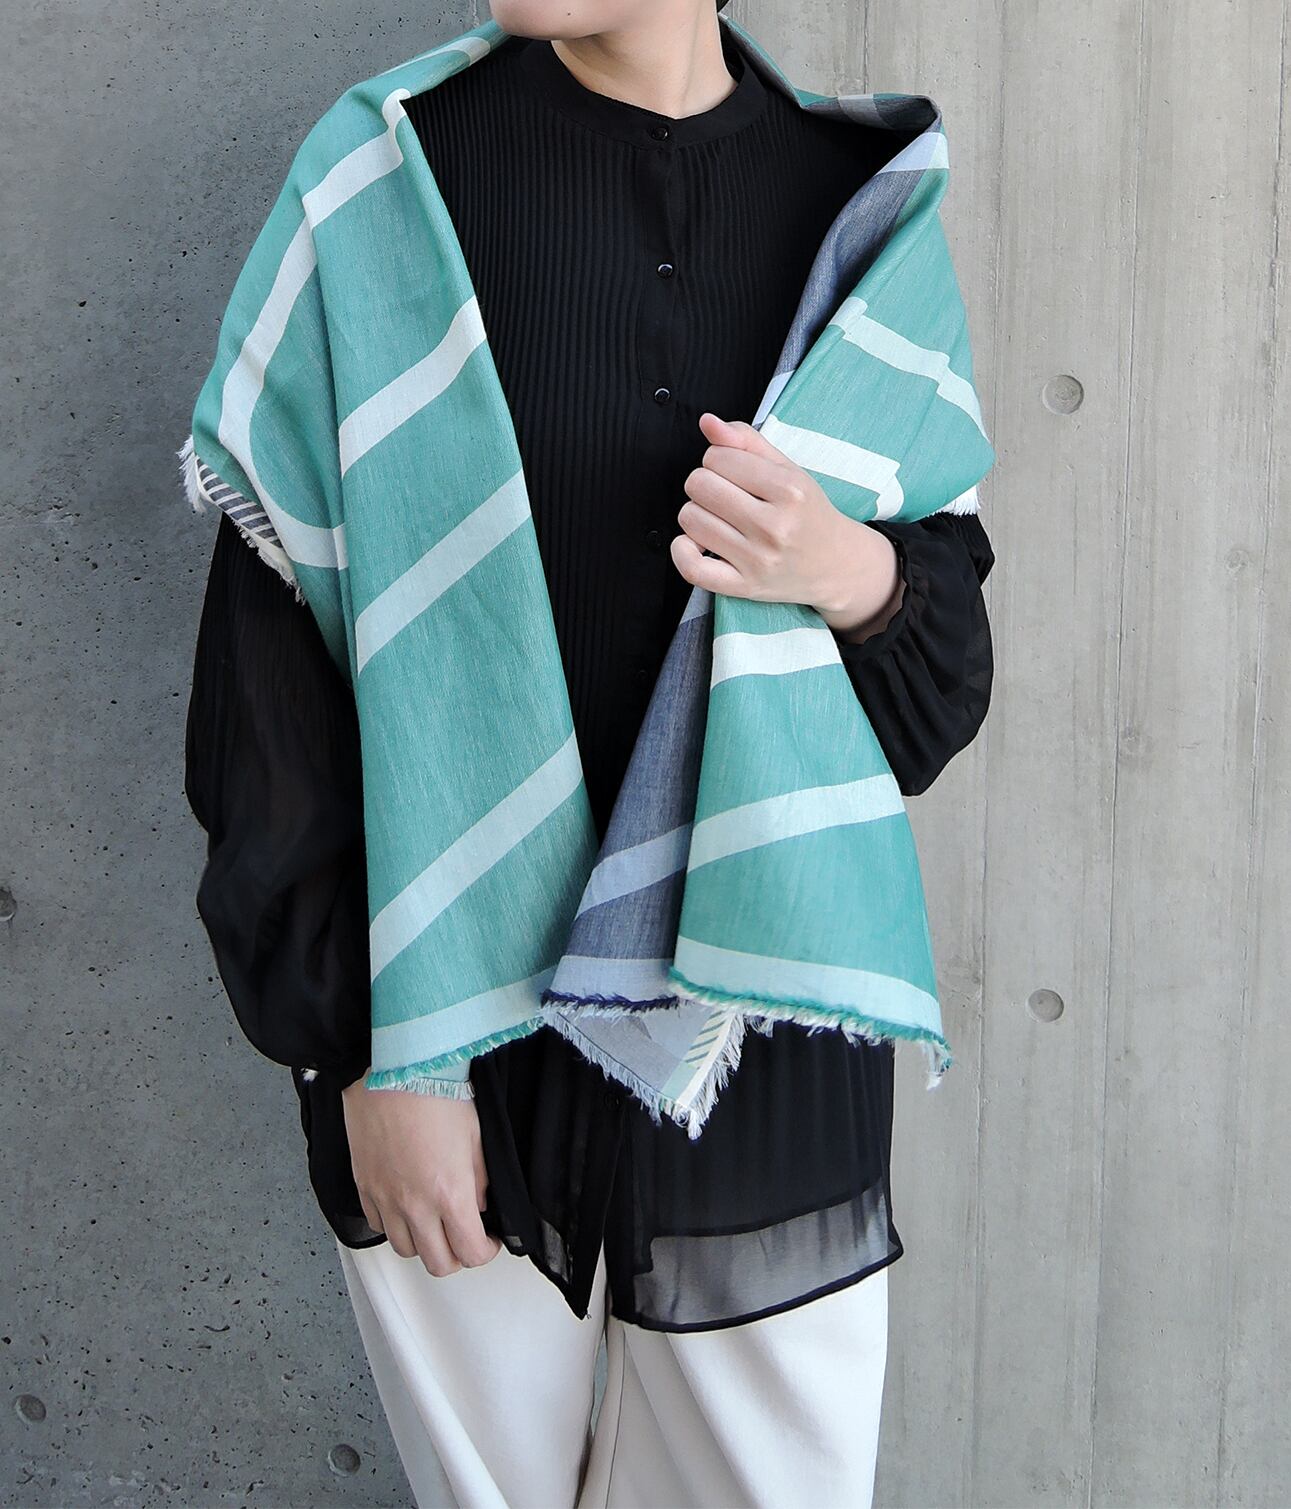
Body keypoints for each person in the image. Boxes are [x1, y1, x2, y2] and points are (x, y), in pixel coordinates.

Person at [182, 1, 995, 1504]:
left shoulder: (857, 207)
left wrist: (843, 566)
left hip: (755, 1018)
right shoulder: (382, 181)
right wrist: (367, 1050)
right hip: (441, 1018)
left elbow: (929, 704)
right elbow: (270, 672)